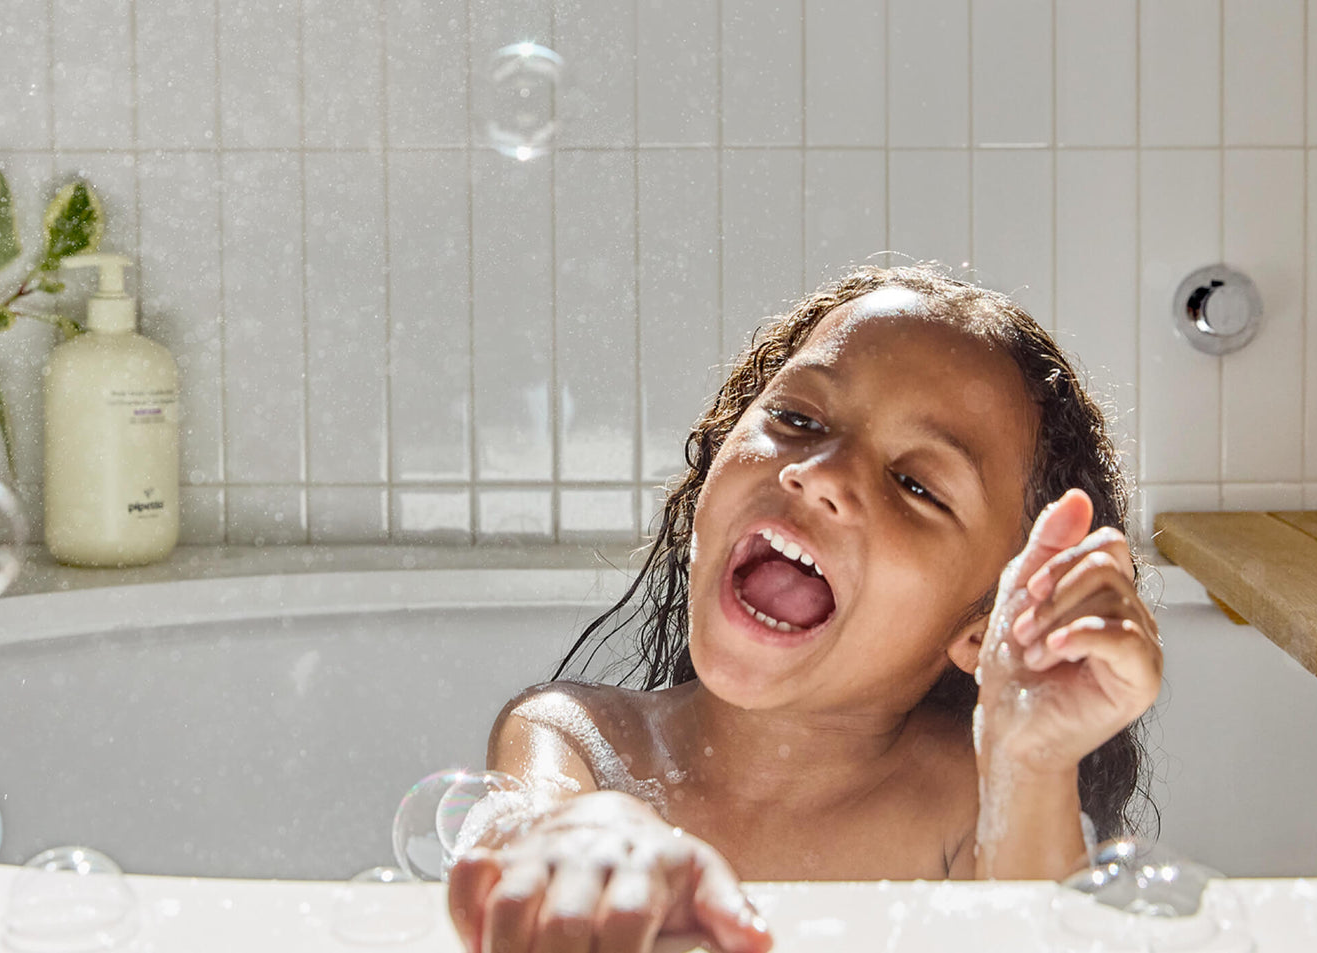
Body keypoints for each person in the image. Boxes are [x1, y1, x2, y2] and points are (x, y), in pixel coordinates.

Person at [447, 265, 1162, 953]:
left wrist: (1031, 761)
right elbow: (525, 831)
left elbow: (1037, 935)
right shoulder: (578, 740)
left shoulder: (973, 804)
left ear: (984, 626)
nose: (819, 474)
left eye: (916, 484)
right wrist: (585, 834)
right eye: (795, 417)